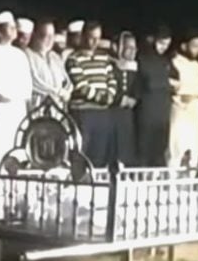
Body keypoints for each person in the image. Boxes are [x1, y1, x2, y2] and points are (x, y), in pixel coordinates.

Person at [0, 11, 33, 169]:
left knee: (15, 147)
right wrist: (0, 96)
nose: (13, 30)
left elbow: (26, 85)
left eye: (14, 27)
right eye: (9, 27)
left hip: (17, 108)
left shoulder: (19, 54)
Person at [65, 21, 118, 167]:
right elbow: (81, 85)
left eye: (98, 38)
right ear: (83, 37)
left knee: (100, 154)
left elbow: (112, 80)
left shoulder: (104, 58)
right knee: (82, 152)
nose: (95, 42)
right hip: (83, 113)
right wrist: (102, 97)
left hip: (103, 112)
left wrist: (110, 95)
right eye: (91, 38)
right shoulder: (74, 59)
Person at [168, 33, 198, 168]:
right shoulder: (174, 62)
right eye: (194, 46)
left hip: (194, 113)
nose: (197, 50)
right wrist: (185, 93)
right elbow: (173, 86)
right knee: (177, 149)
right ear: (184, 46)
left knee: (193, 151)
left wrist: (192, 94)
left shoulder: (197, 65)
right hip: (180, 110)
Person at [136, 26, 174, 166]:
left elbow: (176, 77)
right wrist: (167, 83)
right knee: (145, 151)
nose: (164, 47)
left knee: (160, 152)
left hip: (163, 113)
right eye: (162, 43)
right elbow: (149, 82)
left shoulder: (165, 60)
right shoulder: (142, 58)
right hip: (147, 112)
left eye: (167, 45)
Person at [26, 19, 72, 107]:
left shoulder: (55, 56)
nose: (49, 40)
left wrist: (67, 90)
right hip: (38, 106)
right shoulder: (27, 55)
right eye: (45, 36)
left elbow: (66, 79)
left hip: (58, 107)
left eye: (52, 36)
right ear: (35, 35)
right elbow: (34, 82)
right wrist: (56, 92)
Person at [111, 31, 140, 166]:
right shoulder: (111, 66)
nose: (132, 52)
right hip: (112, 113)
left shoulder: (136, 68)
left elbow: (139, 88)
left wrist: (134, 98)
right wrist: (119, 99)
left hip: (128, 116)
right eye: (129, 48)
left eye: (134, 48)